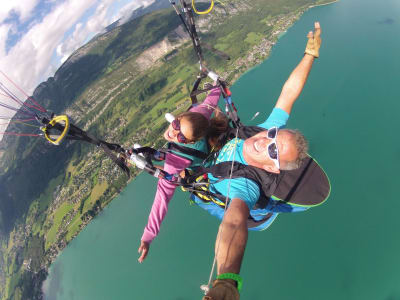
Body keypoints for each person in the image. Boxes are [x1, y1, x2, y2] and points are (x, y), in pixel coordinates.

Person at [199, 22, 322, 300]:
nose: (266, 141)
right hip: (217, 157)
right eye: (274, 135)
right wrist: (310, 55)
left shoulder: (247, 184)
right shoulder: (262, 131)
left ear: (270, 167)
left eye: (274, 151)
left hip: (229, 200)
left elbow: (234, 221)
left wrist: (227, 280)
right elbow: (289, 94)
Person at [137, 85, 227, 263]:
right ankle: (157, 155)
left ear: (191, 141)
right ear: (180, 117)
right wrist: (217, 86)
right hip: (204, 154)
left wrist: (148, 236)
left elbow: (162, 198)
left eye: (180, 137)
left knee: (181, 179)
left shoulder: (175, 162)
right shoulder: (200, 114)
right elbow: (211, 101)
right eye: (176, 124)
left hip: (199, 168)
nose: (172, 132)